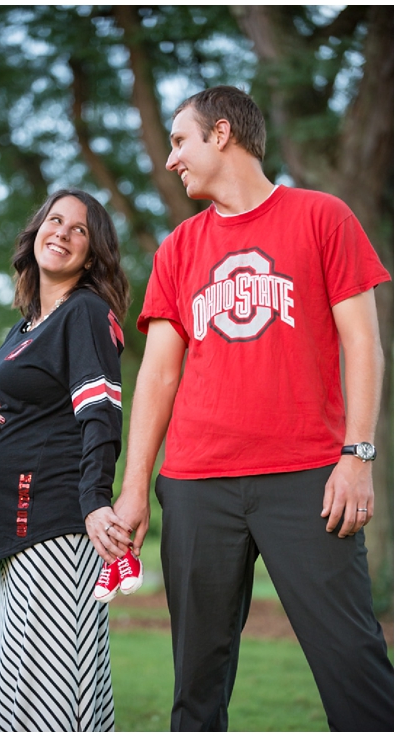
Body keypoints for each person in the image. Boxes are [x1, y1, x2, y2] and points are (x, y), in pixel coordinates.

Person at [112, 85, 393, 731]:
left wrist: (357, 454)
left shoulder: (322, 216)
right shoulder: (178, 247)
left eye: (179, 141)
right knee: (198, 681)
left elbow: (364, 343)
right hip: (195, 484)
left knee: (354, 663)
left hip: (309, 479)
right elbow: (157, 375)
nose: (170, 159)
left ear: (220, 134)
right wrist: (133, 491)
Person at [0, 189, 131, 732]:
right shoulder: (28, 324)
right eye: (54, 220)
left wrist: (96, 501)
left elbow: (100, 409)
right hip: (18, 537)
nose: (62, 232)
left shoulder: (84, 311)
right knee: (26, 689)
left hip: (53, 527)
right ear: (34, 234)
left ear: (92, 252)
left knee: (54, 694)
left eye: (79, 229)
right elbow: (12, 398)